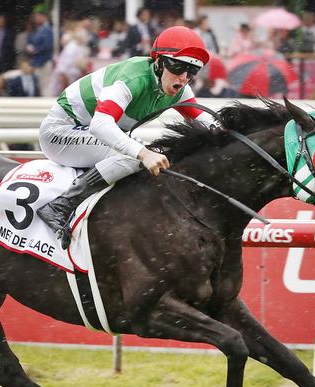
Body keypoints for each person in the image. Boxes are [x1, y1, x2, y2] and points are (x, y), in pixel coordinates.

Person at [36, 26, 215, 248]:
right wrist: (143, 153)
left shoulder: (179, 87)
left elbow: (208, 124)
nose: (184, 77)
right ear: (158, 61)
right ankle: (61, 205)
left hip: (87, 133)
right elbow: (100, 125)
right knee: (136, 156)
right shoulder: (133, 78)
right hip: (61, 134)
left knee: (145, 153)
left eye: (192, 71)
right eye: (178, 66)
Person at [25, 9, 53, 96]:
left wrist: (35, 50)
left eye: (38, 16)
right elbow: (30, 41)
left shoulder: (47, 29)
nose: (36, 18)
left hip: (44, 62)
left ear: (43, 17)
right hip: (37, 62)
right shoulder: (37, 29)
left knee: (45, 86)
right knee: (39, 86)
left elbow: (47, 46)